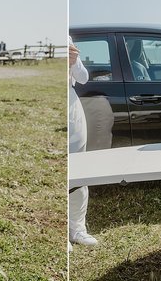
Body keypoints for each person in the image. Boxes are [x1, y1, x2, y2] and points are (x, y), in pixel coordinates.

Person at [67, 40, 97, 247]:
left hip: (71, 106)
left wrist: (74, 61)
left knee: (78, 170)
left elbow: (84, 78)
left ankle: (77, 228)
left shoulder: (67, 39)